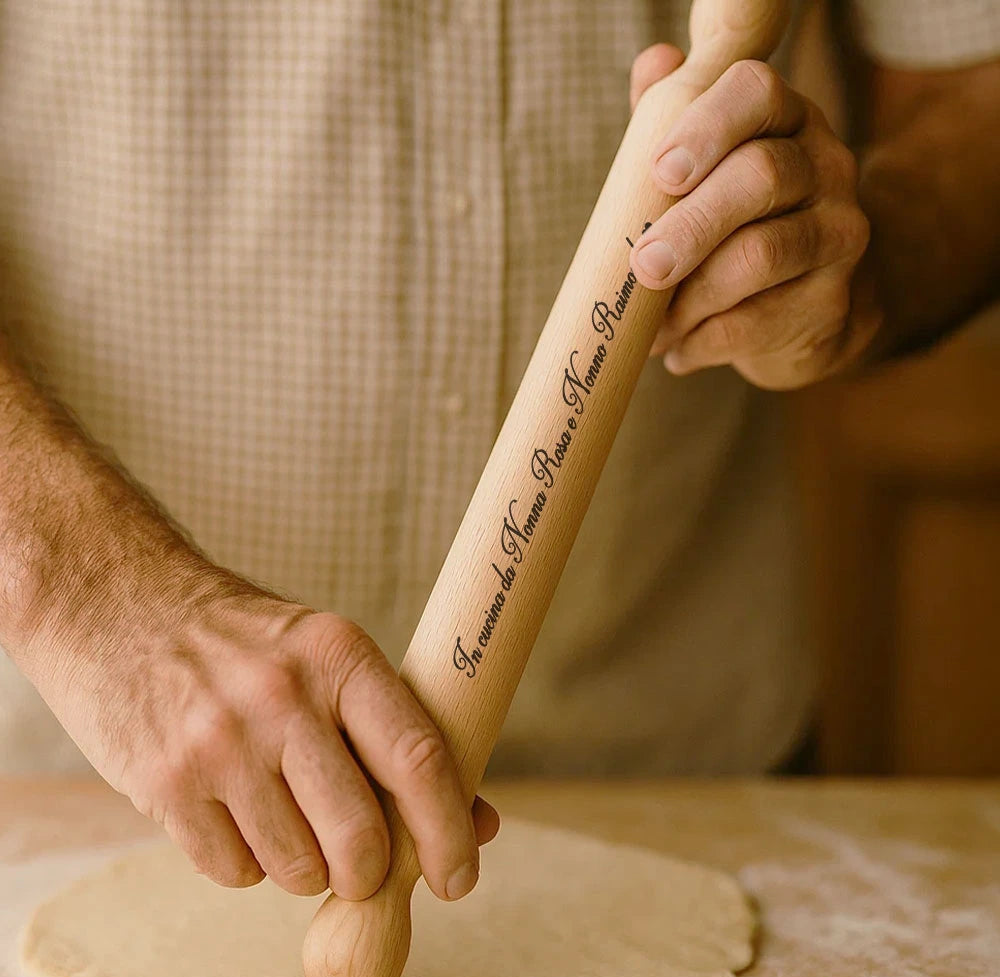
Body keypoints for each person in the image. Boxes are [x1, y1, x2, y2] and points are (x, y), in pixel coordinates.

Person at [0, 1, 996, 905]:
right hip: (77, 781)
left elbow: (974, 89)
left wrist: (862, 266)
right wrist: (82, 592)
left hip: (684, 766)